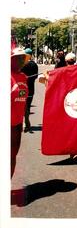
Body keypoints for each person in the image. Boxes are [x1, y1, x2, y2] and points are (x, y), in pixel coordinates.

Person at [11, 48, 31, 177]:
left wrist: (26, 118)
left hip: (17, 124)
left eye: (22, 58)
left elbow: (23, 100)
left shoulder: (23, 77)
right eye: (18, 58)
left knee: (12, 156)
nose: (21, 61)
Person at [21, 48, 38, 132]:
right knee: (28, 105)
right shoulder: (34, 65)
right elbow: (36, 76)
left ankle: (24, 123)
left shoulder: (23, 64)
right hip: (31, 88)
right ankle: (26, 122)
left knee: (22, 105)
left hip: (22, 87)